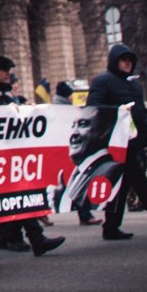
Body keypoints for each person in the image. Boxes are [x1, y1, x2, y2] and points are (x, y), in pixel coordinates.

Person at [0, 56, 65, 259]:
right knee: (14, 196)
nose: (8, 74)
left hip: (11, 152)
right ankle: (29, 239)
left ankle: (17, 237)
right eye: (4, 70)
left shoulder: (4, 90)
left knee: (19, 196)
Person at [87, 43, 147, 241]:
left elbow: (138, 113)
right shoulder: (103, 81)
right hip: (115, 143)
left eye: (130, 60)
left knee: (122, 185)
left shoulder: (133, 84)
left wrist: (144, 135)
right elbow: (94, 110)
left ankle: (111, 226)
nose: (128, 63)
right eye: (124, 60)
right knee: (140, 183)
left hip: (133, 142)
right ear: (114, 61)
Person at [51, 82, 100, 226]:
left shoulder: (57, 108)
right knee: (78, 182)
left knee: (76, 182)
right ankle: (85, 215)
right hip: (65, 153)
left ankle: (84, 214)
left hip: (63, 152)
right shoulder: (65, 110)